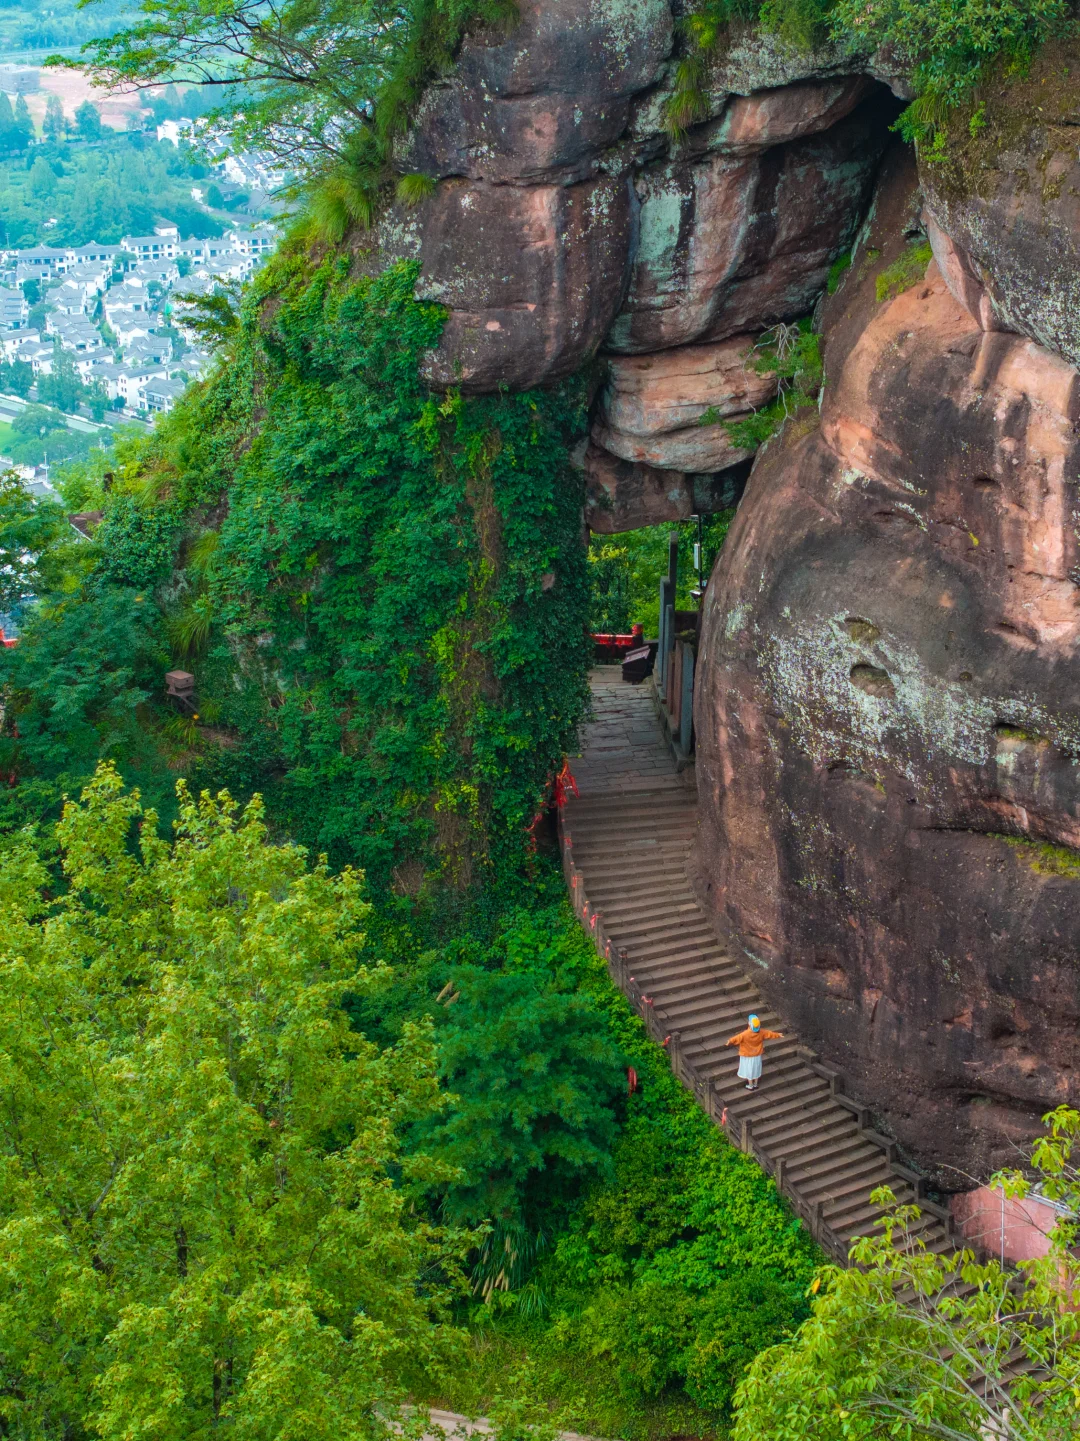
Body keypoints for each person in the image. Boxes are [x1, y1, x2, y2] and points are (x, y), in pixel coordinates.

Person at [725, 1014, 784, 1092]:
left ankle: (750, 1085)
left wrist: (729, 1041)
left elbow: (736, 1038)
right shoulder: (761, 1032)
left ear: (749, 1023)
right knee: (756, 1069)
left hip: (747, 1055)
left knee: (749, 1070)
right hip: (757, 1055)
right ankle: (756, 1084)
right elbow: (769, 1033)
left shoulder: (745, 1034)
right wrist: (777, 1035)